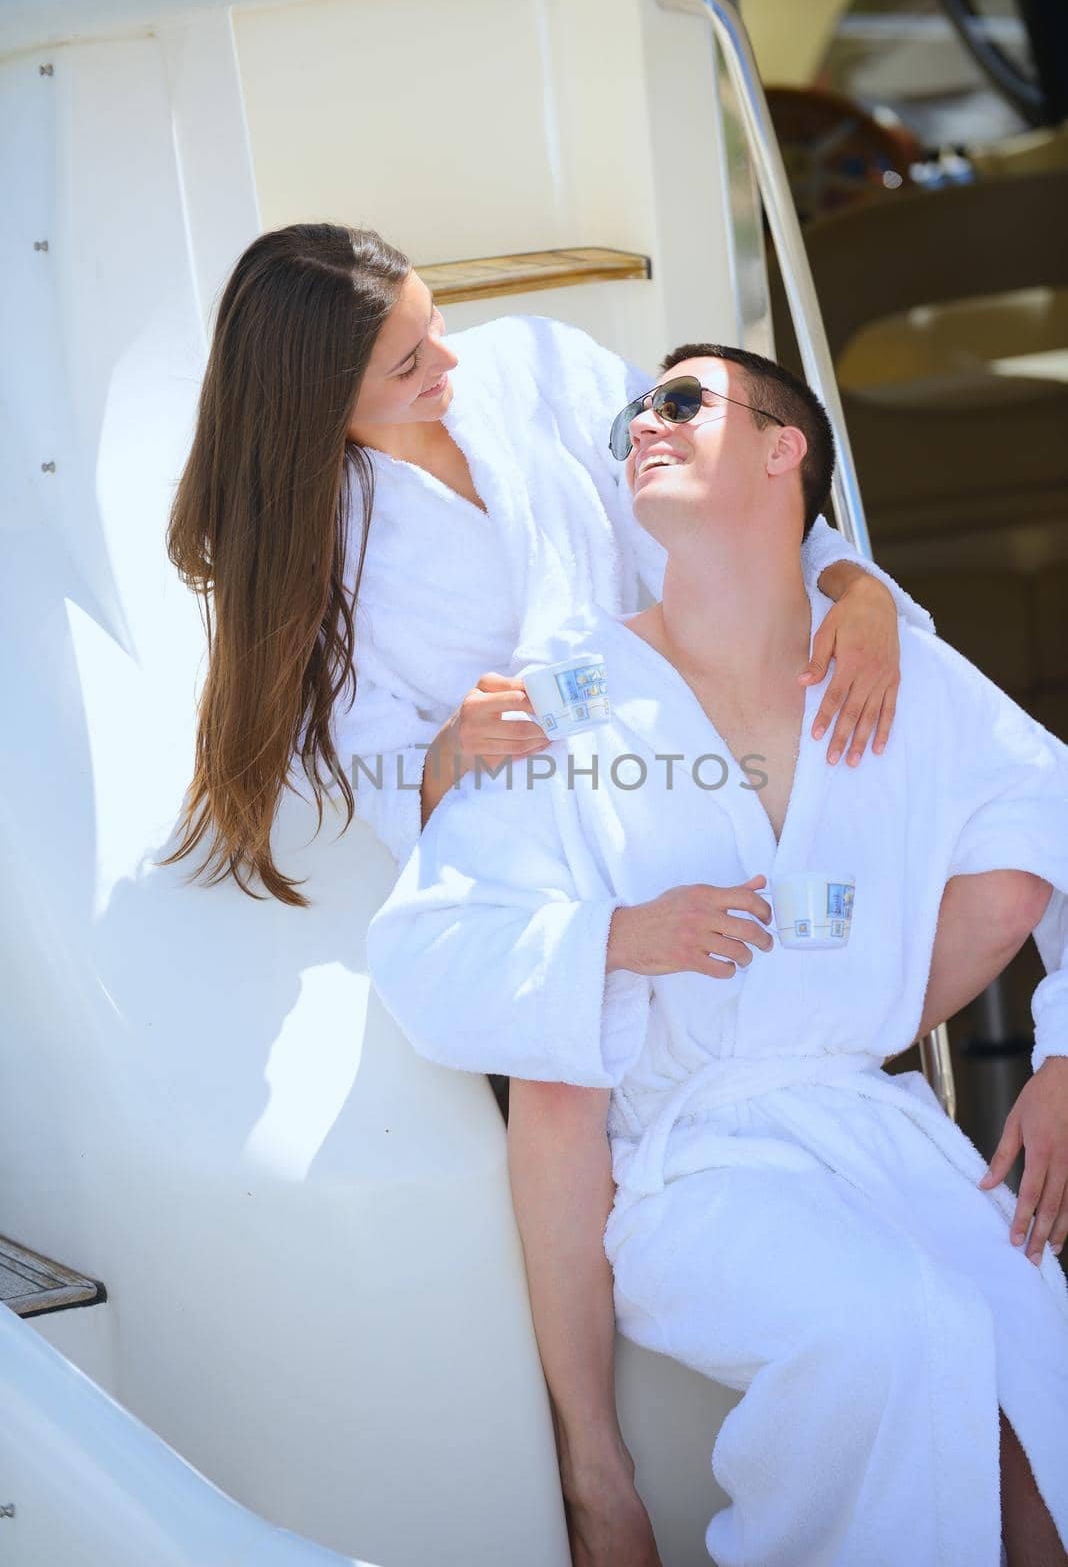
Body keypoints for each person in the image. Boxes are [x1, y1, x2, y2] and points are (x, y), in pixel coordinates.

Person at [163, 224, 1035, 1564]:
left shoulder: (534, 375)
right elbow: (369, 761)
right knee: (570, 1058)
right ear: (315, 404)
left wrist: (857, 588)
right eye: (406, 363)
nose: (448, 362)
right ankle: (591, 1466)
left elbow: (730, 482)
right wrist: (458, 763)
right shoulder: (312, 552)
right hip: (548, 780)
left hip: (676, 729)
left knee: (1014, 1359)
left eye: (435, 323)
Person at [365, 344, 1068, 1566]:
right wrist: (622, 936)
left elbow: (1050, 820)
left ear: (785, 447)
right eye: (636, 411)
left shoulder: (890, 668)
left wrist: (1063, 1054)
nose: (647, 422)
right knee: (889, 1331)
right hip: (685, 1168)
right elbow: (430, 953)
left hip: (873, 1128)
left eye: (683, 402)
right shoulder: (567, 699)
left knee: (1032, 1390)